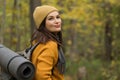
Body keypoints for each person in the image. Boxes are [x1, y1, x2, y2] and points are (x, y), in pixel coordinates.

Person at [30, 5, 66, 80]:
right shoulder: (50, 45)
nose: (57, 21)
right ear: (42, 24)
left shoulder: (38, 42)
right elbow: (42, 76)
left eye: (58, 17)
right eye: (51, 19)